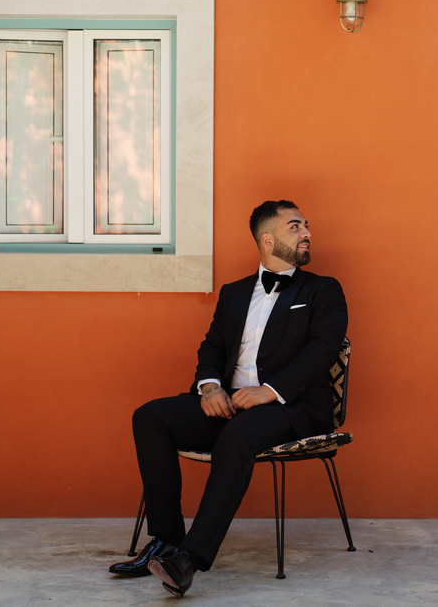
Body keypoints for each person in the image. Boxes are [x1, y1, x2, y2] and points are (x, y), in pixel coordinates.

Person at [108, 199, 348, 597]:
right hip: (231, 403)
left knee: (237, 436)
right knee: (150, 417)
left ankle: (189, 559)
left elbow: (322, 351)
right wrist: (210, 387)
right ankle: (166, 540)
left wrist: (269, 391)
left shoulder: (324, 290)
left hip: (290, 407)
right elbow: (213, 347)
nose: (307, 233)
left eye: (306, 225)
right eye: (295, 227)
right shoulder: (234, 293)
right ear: (267, 239)